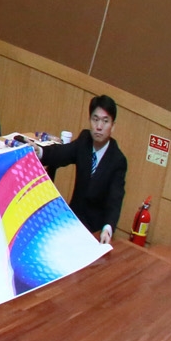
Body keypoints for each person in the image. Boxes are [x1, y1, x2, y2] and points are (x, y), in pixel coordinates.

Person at [42, 96, 128, 242]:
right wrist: (41, 152)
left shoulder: (118, 160)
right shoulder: (84, 140)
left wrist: (108, 228)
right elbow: (61, 153)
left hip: (94, 230)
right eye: (95, 119)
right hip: (71, 219)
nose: (99, 126)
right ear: (90, 121)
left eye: (105, 121)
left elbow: (115, 200)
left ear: (113, 126)